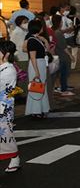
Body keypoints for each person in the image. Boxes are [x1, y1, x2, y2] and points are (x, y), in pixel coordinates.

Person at [0, 41, 22, 172]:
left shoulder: (9, 70)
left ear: (6, 54)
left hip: (3, 108)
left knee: (5, 135)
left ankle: (15, 158)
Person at [24, 20, 50, 118]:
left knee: (41, 87)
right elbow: (32, 57)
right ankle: (35, 111)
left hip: (41, 64)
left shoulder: (36, 39)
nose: (42, 28)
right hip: (37, 65)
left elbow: (47, 49)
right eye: (41, 27)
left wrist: (45, 40)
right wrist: (37, 71)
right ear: (37, 28)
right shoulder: (31, 40)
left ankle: (41, 109)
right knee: (36, 88)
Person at [52, 15, 75, 96]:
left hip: (59, 53)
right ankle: (63, 89)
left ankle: (64, 86)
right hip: (62, 55)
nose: (62, 23)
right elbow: (63, 46)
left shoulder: (56, 31)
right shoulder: (58, 33)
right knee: (63, 72)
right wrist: (71, 55)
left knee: (62, 72)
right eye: (61, 21)